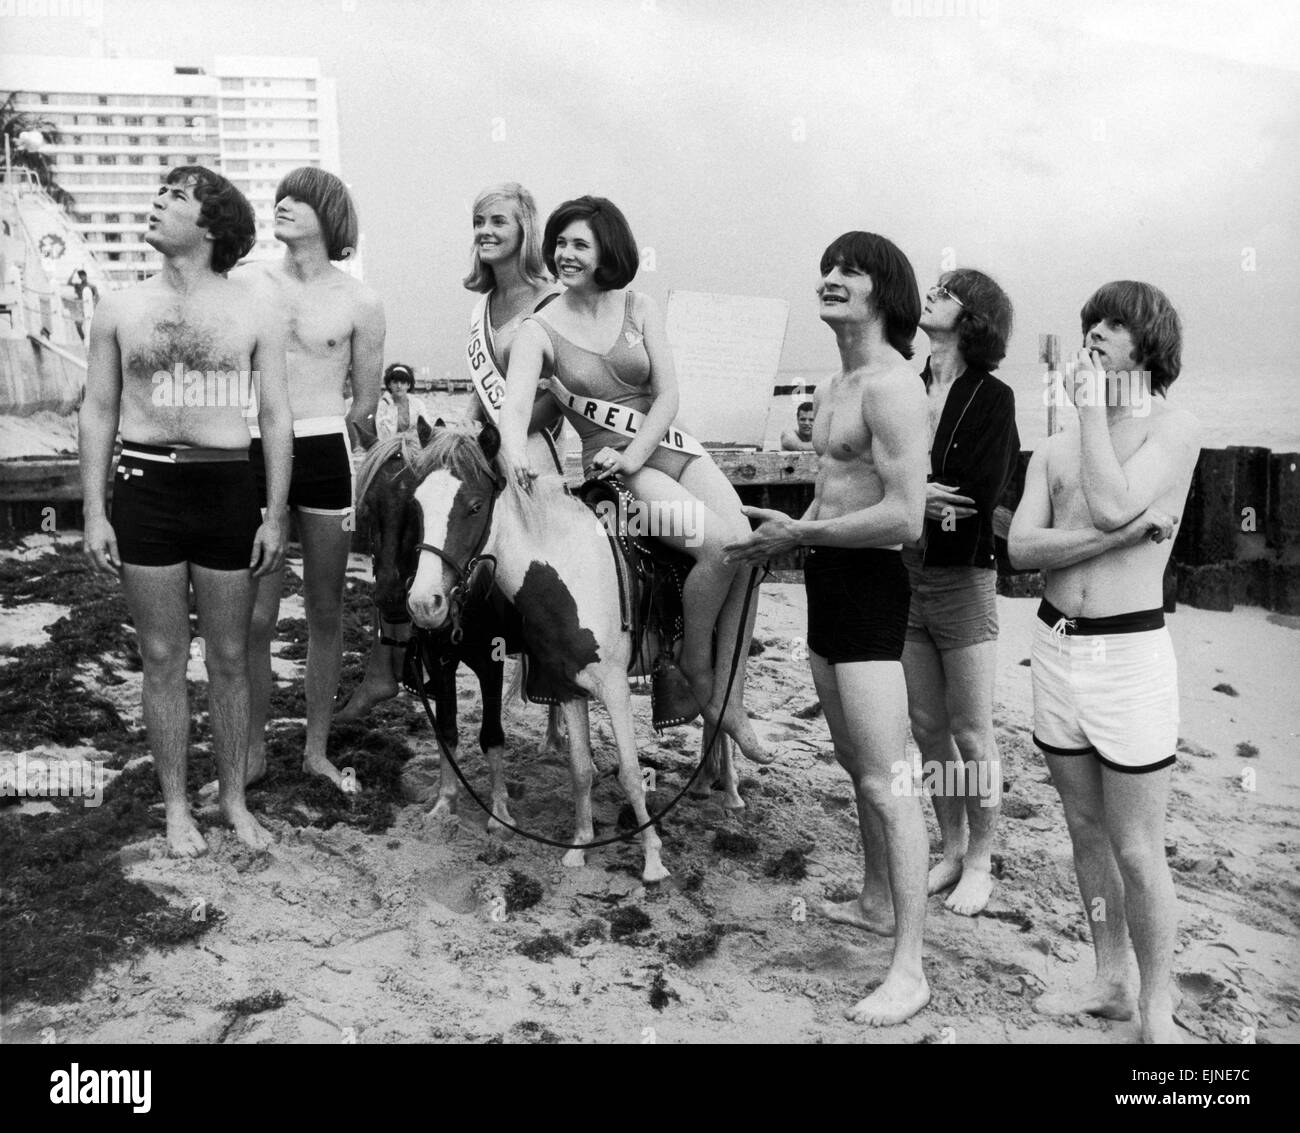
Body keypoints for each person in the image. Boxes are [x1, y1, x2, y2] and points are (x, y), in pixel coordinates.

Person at [725, 231, 930, 1025]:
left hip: (873, 588)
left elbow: (904, 519)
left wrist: (797, 538)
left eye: (851, 270)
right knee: (854, 760)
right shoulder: (834, 381)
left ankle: (910, 967)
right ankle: (877, 899)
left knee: (891, 779)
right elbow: (837, 492)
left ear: (885, 291)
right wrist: (775, 538)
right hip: (826, 580)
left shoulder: (891, 387)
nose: (831, 278)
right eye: (828, 267)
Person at [500, 195, 770, 764]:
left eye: (580, 244)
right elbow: (515, 407)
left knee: (749, 547)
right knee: (719, 548)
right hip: (617, 475)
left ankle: (730, 698)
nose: (565, 254)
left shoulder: (639, 306)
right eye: (560, 243)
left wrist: (640, 450)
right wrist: (510, 449)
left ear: (608, 250)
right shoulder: (537, 329)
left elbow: (668, 393)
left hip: (671, 449)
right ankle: (697, 667)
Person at [79, 165, 292, 856]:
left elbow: (277, 415)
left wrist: (275, 513)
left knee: (230, 655)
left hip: (227, 485)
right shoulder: (118, 307)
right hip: (145, 488)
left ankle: (232, 799)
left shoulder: (255, 307)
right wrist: (93, 510)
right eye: (159, 193)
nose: (157, 203)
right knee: (163, 655)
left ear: (210, 225)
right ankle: (176, 807)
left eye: (176, 197)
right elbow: (99, 410)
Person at [1008, 280, 1200, 1044]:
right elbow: (1021, 549)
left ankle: (1159, 1005)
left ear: (1148, 344)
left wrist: (1090, 407)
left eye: (1113, 325)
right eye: (1090, 322)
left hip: (1130, 655)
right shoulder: (1053, 449)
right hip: (1056, 649)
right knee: (1085, 834)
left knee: (1135, 844)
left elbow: (1117, 500)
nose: (1094, 334)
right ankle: (1108, 978)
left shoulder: (1174, 429)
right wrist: (1115, 538)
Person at [337, 182, 562, 721]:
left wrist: (500, 438)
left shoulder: (553, 300)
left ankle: (551, 669)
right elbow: (484, 394)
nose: (485, 231)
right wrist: (463, 429)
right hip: (488, 447)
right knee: (418, 523)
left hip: (529, 450)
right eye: (479, 222)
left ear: (525, 230)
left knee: (537, 584)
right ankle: (400, 658)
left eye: (498, 222)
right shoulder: (483, 305)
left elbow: (555, 397)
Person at [234, 167, 385, 792]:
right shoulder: (246, 283)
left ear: (330, 215)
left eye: (298, 198)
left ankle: (316, 749)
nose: (283, 205)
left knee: (326, 609)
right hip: (251, 448)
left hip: (323, 450)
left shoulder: (360, 301)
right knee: (256, 617)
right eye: (279, 199)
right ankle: (252, 749)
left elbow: (365, 404)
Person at [902, 270, 1020, 916]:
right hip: (906, 574)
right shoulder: (905, 383)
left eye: (947, 293)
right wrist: (919, 494)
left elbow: (976, 494)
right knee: (927, 727)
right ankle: (950, 847)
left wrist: (908, 495)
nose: (932, 295)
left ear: (974, 318)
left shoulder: (992, 398)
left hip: (963, 578)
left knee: (973, 733)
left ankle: (980, 859)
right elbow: (880, 473)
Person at [375, 362, 432, 440]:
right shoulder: (383, 406)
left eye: (403, 382)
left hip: (414, 445)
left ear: (408, 385)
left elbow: (427, 429)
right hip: (390, 446)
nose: (399, 386)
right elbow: (381, 435)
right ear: (389, 385)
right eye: (395, 382)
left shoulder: (418, 404)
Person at [68, 268, 99, 340]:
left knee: (92, 325)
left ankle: (93, 340)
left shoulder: (92, 286)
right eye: (80, 276)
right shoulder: (78, 286)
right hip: (80, 307)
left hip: (90, 306)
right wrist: (73, 272)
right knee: (78, 324)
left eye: (82, 276)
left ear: (85, 276)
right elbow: (69, 283)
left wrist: (96, 308)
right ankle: (84, 339)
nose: (81, 278)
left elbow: (97, 297)